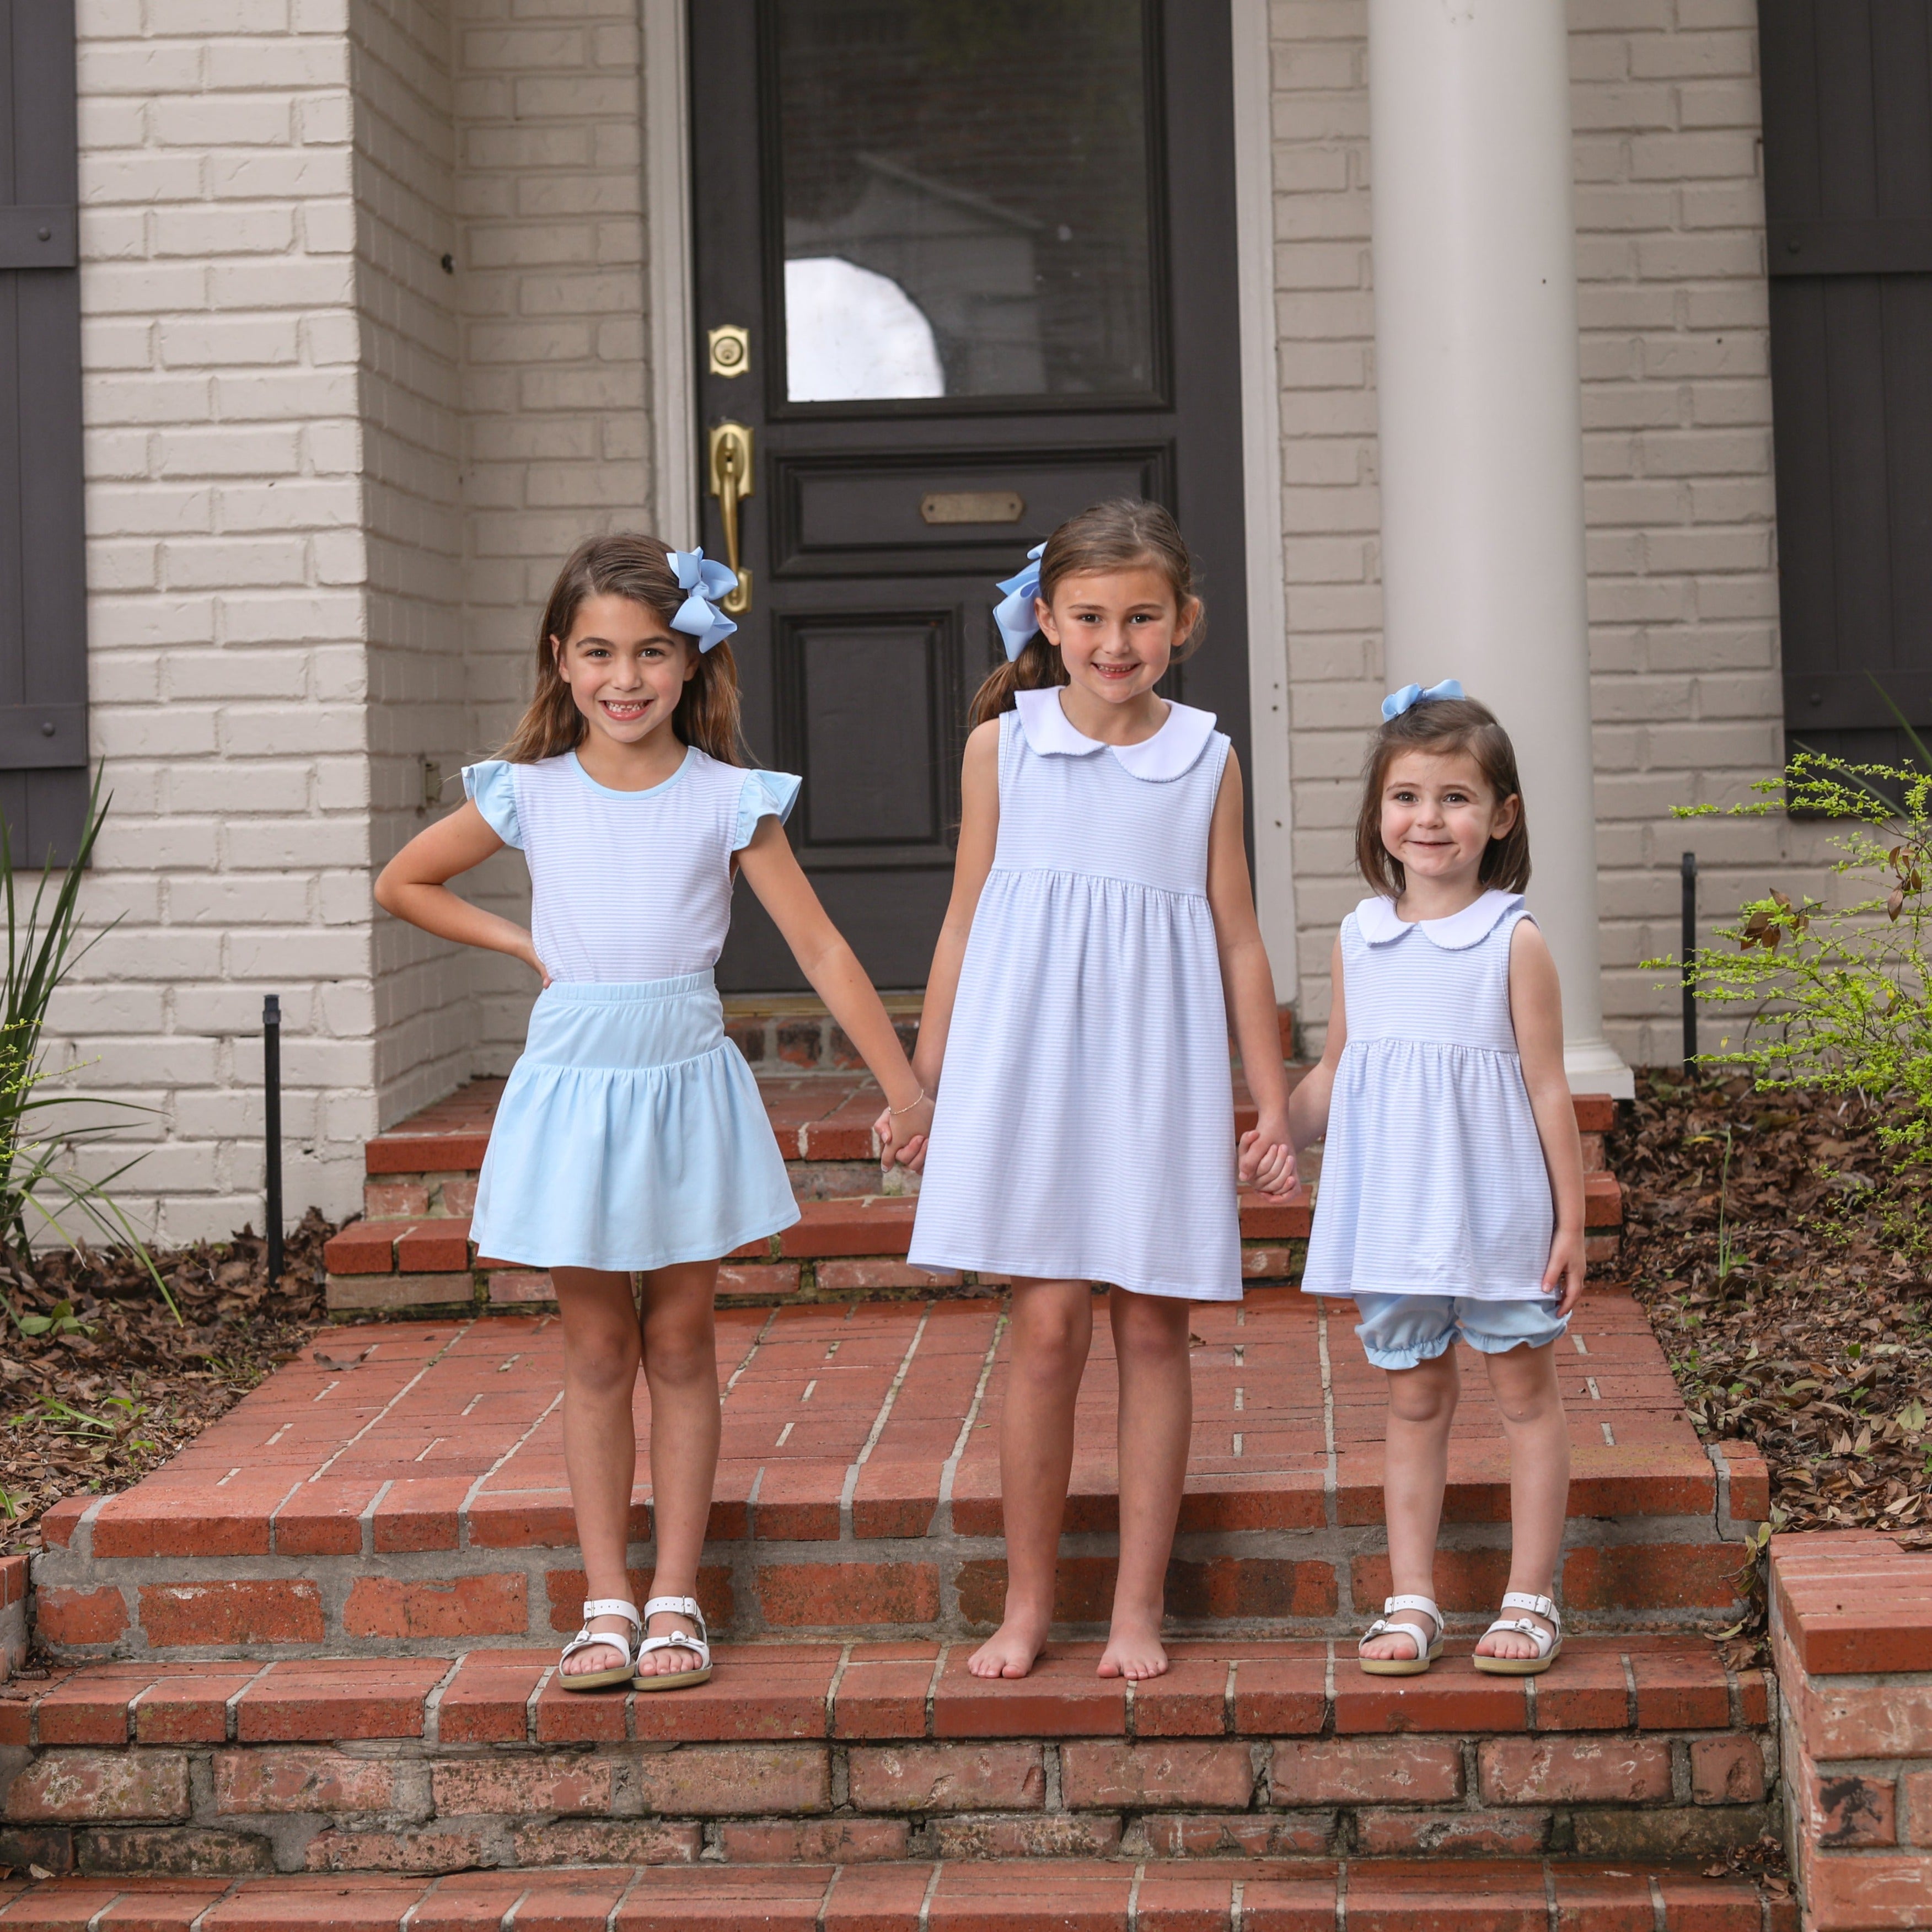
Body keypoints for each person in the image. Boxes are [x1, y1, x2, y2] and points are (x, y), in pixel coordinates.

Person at [374, 534, 932, 1693]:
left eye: (651, 653)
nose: (624, 678)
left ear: (692, 667)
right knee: (593, 1348)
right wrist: (521, 940)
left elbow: (823, 946)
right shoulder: (527, 793)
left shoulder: (729, 799)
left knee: (680, 1342)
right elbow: (405, 882)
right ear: (560, 662)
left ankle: (677, 1596)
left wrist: (905, 1085)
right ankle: (606, 1599)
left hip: (683, 1086)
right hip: (576, 1090)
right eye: (598, 653)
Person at [898, 499, 1298, 1684]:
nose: (1115, 642)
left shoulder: (1207, 756)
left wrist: (1269, 1103)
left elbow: (1237, 938)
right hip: (1029, 1068)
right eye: (1089, 617)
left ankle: (1136, 1612)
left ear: (1185, 622)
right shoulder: (1002, 748)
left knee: (1150, 1326)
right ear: (1048, 620)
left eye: (1141, 617)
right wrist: (926, 1080)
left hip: (1156, 1073)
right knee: (1048, 1326)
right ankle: (1027, 1608)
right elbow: (965, 917)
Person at [1290, 681, 1585, 1678]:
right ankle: (1412, 1597)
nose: (1429, 819)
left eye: (1456, 797)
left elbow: (1548, 1090)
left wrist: (1571, 1221)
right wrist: (1271, 1126)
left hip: (1497, 1210)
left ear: (1501, 817)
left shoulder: (1515, 939)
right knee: (1413, 1400)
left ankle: (1532, 1596)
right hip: (1395, 1214)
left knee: (1523, 1396)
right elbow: (1337, 1069)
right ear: (1380, 816)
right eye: (1408, 797)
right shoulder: (1358, 937)